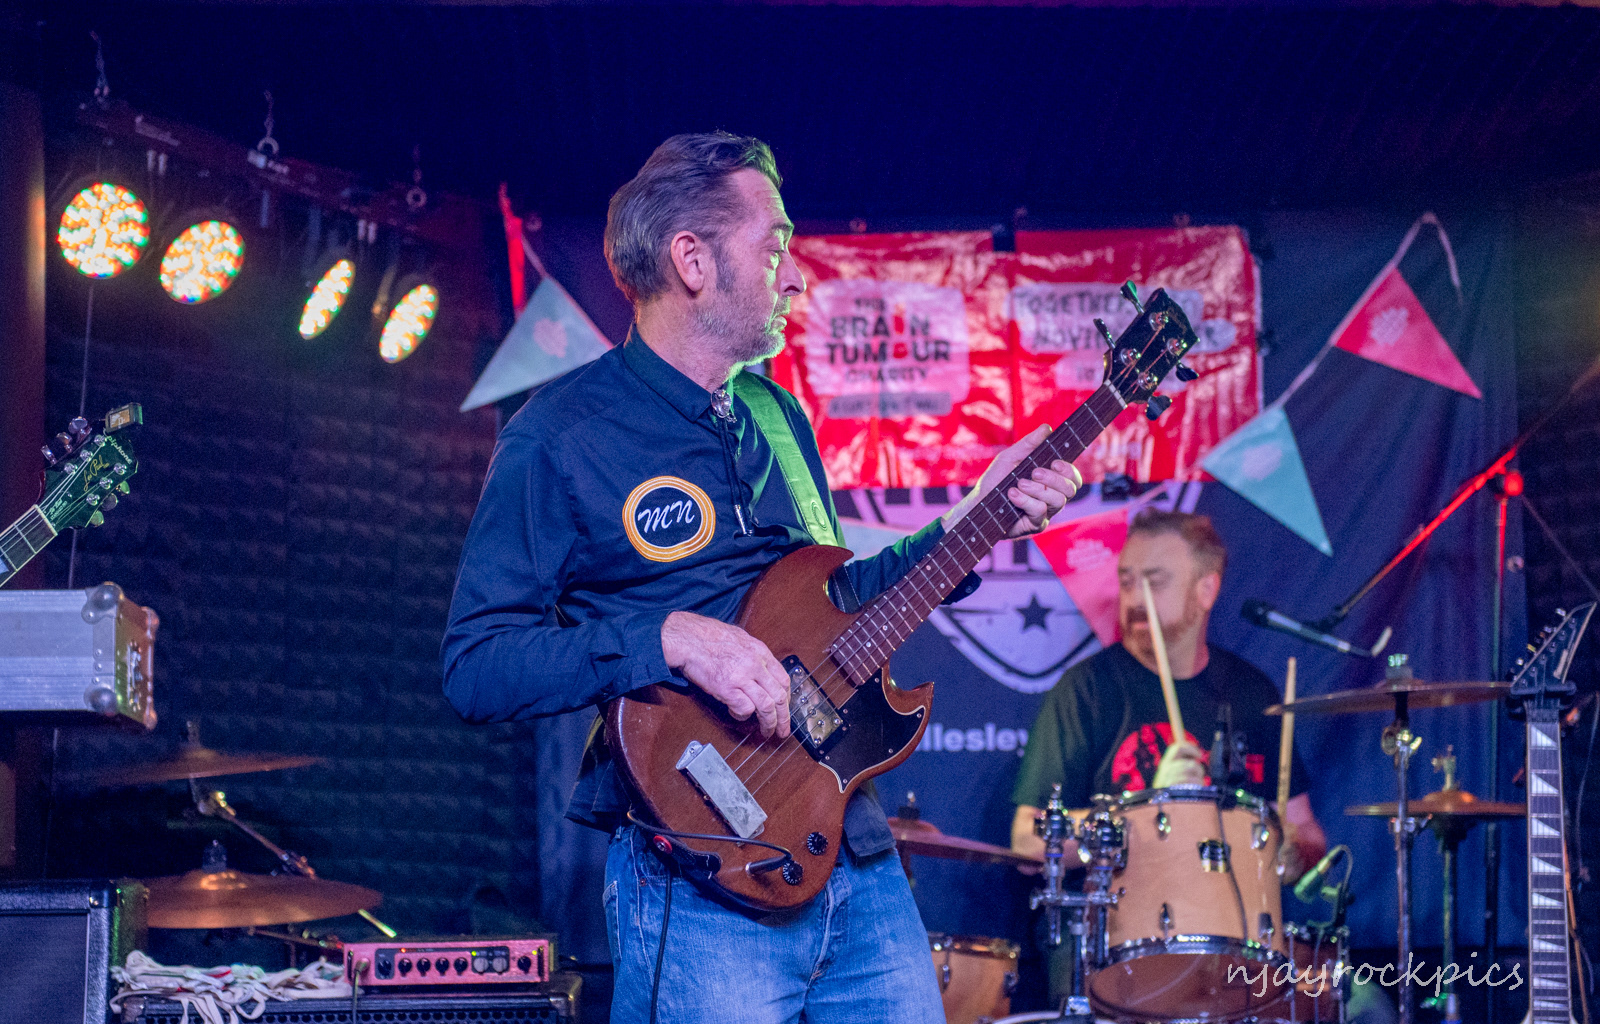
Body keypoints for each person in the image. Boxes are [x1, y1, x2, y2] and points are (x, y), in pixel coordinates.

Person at [442, 132, 1083, 1024]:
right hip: (698, 877)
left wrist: (975, 521)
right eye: (775, 247)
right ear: (692, 260)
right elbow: (477, 665)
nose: (796, 278)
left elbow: (843, 609)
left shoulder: (778, 415)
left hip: (854, 857)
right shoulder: (559, 435)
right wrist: (667, 638)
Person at [1010, 508, 1331, 1000]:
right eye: (1127, 581)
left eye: (1154, 581)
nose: (1135, 598)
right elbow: (1026, 841)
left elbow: (1304, 830)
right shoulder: (1086, 691)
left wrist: (1292, 852)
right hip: (1111, 947)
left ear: (1206, 590)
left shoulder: (1251, 694)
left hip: (1233, 950)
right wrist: (1147, 810)